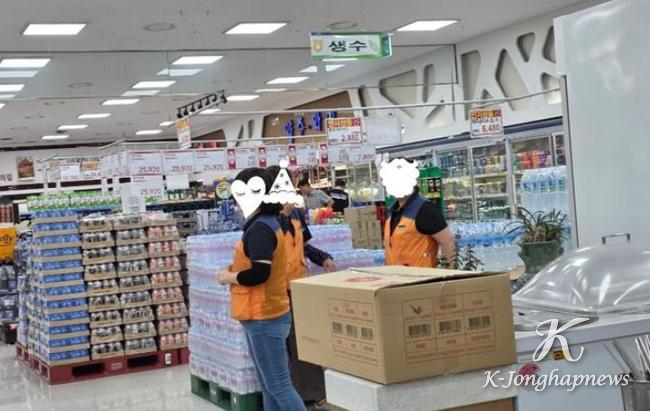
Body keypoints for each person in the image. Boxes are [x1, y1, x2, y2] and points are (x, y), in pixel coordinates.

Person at [217, 167, 306, 411]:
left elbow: (260, 273)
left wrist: (229, 277)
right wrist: (235, 268)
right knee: (269, 385)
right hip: (262, 312)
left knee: (279, 385)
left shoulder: (260, 229)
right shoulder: (265, 224)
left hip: (264, 314)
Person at [267, 165, 335, 408]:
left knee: (304, 340)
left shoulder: (296, 213)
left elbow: (303, 245)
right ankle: (296, 396)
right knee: (285, 344)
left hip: (299, 287)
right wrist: (284, 212)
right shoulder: (268, 216)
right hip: (277, 289)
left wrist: (322, 258)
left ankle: (313, 394)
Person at [384, 186, 455, 267]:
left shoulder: (426, 210)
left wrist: (450, 271)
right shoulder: (392, 212)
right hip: (396, 273)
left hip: (423, 273)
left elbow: (448, 243)